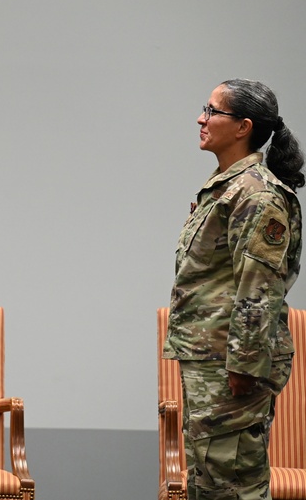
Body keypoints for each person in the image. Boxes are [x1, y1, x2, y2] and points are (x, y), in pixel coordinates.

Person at [163, 79, 304, 500]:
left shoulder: (257, 195)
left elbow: (259, 288)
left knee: (233, 487)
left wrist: (243, 364)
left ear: (243, 127)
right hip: (212, 359)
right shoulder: (226, 187)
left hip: (232, 366)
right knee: (210, 481)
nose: (200, 118)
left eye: (211, 111)